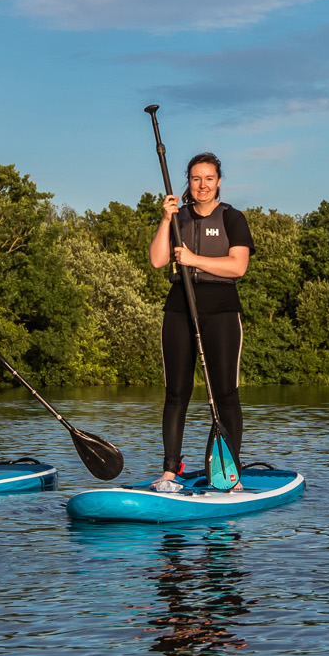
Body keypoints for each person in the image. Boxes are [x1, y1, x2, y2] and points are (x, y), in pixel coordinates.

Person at [146, 152, 252, 492]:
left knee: (225, 394)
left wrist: (193, 259)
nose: (202, 185)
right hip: (179, 306)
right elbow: (158, 260)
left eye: (208, 178)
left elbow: (238, 267)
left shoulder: (233, 218)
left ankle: (229, 471)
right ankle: (169, 470)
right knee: (176, 392)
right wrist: (165, 220)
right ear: (188, 182)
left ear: (218, 181)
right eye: (195, 178)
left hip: (221, 309)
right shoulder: (178, 218)